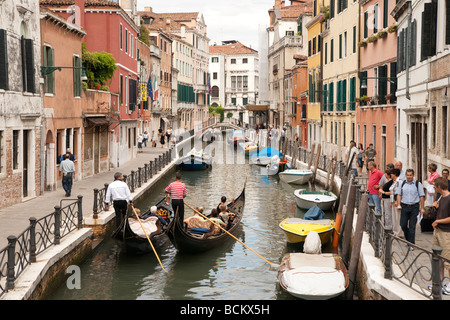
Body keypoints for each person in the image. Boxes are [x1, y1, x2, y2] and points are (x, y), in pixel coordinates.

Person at [395, 169, 425, 244]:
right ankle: (408, 239)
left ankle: (411, 243)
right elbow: (399, 194)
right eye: (407, 175)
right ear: (405, 175)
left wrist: (422, 208)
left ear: (413, 175)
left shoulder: (418, 184)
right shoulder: (402, 183)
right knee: (403, 224)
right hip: (404, 206)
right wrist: (398, 204)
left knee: (412, 226)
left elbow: (421, 196)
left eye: (410, 175)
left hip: (414, 207)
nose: (409, 177)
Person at [431, 177, 450, 285]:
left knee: (447, 259)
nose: (435, 189)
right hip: (438, 231)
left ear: (438, 187)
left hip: (447, 233)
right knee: (437, 258)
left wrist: (438, 221)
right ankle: (440, 282)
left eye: (435, 187)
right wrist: (436, 208)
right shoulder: (441, 198)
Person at [389, 168, 403, 236]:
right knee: (394, 217)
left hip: (397, 201)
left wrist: (397, 201)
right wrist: (390, 202)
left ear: (394, 174)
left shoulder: (399, 181)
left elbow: (399, 192)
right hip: (393, 201)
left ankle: (399, 232)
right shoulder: (394, 181)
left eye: (391, 174)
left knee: (398, 217)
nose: (390, 175)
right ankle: (395, 231)